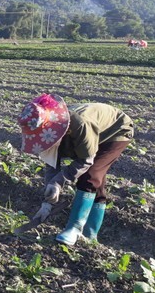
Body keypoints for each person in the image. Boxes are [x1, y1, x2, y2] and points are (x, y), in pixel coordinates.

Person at [18, 93, 134, 246]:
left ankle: (75, 228)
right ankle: (91, 235)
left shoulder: (79, 124)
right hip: (92, 134)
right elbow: (52, 163)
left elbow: (85, 160)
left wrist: (59, 182)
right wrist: (48, 201)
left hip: (116, 131)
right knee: (96, 181)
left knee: (90, 175)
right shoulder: (47, 132)